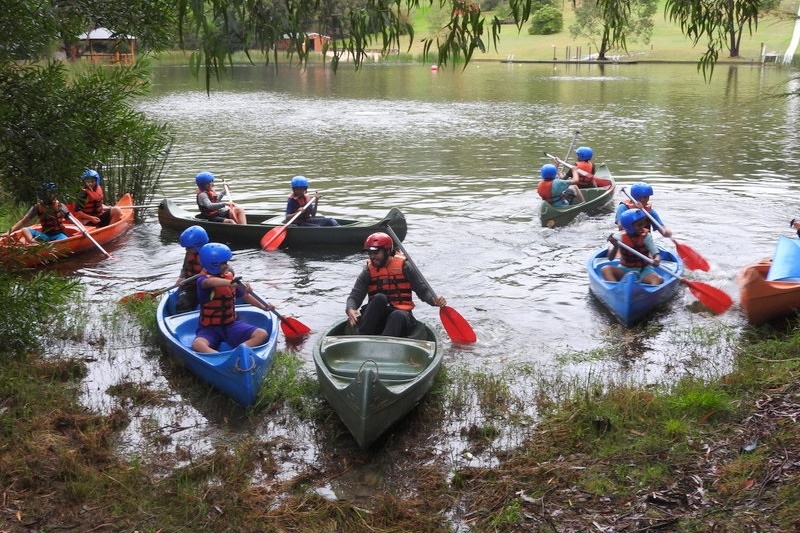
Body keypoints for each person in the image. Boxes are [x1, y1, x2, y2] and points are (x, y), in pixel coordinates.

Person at [345, 232, 447, 337]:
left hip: (401, 317)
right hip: (378, 319)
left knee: (397, 315)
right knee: (379, 298)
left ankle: (386, 343)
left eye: (376, 253)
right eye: (370, 253)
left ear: (387, 251)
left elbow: (424, 291)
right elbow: (355, 296)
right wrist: (350, 309)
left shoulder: (405, 267)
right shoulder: (368, 271)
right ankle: (363, 337)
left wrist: (434, 300)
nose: (372, 257)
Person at [191, 243, 274, 354]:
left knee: (262, 334)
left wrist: (264, 307)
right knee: (197, 344)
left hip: (230, 325)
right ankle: (217, 356)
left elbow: (246, 296)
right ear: (212, 264)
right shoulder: (202, 280)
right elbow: (209, 282)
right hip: (209, 328)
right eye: (223, 263)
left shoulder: (229, 278)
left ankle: (237, 352)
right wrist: (230, 283)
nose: (227, 265)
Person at [601, 208, 663, 285]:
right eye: (639, 225)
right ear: (629, 226)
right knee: (605, 269)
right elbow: (610, 258)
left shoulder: (646, 237)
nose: (642, 227)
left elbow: (656, 254)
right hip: (625, 269)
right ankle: (616, 289)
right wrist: (615, 246)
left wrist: (657, 260)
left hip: (644, 271)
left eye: (643, 224)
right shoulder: (619, 237)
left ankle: (649, 294)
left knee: (657, 279)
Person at [175, 225, 209, 313]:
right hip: (192, 286)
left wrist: (208, 272)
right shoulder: (189, 253)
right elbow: (185, 268)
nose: (187, 249)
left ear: (198, 245)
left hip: (209, 286)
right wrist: (182, 277)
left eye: (189, 247)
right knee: (182, 304)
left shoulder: (211, 253)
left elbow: (228, 269)